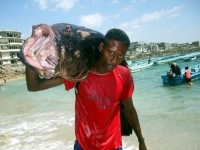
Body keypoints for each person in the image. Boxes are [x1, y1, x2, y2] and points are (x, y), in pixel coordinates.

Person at [25, 28, 147, 150]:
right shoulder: (80, 73)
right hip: (84, 146)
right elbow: (34, 86)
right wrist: (31, 51)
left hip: (114, 146)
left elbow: (129, 109)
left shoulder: (124, 75)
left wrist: (141, 141)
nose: (114, 60)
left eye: (120, 56)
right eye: (110, 53)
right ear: (101, 47)